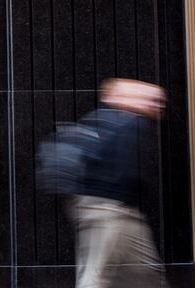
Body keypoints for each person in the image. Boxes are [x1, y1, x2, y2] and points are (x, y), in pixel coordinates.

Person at [70, 78, 165, 288]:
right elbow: (130, 170)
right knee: (97, 275)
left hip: (107, 208)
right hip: (112, 209)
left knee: (145, 271)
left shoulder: (97, 120)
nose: (158, 106)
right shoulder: (133, 124)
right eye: (153, 100)